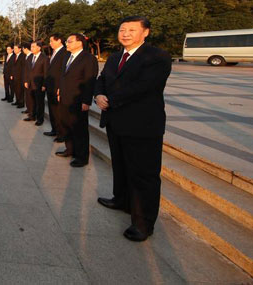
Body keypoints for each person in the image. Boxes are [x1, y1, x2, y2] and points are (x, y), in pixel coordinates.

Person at [94, 15, 172, 242]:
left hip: (142, 125)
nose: (125, 33)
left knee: (143, 175)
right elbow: (102, 79)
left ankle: (143, 223)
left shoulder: (157, 57)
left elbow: (144, 87)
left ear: (145, 32)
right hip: (115, 122)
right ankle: (121, 199)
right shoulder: (115, 57)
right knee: (120, 166)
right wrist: (98, 94)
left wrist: (110, 99)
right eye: (122, 29)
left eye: (131, 29)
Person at [56, 33, 98, 167]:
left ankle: (81, 157)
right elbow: (63, 76)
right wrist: (59, 90)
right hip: (64, 96)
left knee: (79, 129)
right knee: (66, 124)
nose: (66, 44)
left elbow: (89, 81)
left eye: (69, 41)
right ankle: (70, 149)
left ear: (79, 43)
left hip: (78, 99)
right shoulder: (67, 56)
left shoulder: (88, 58)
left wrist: (86, 101)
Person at [44, 34, 68, 141]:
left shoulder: (64, 53)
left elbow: (63, 72)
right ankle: (54, 129)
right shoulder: (54, 52)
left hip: (57, 87)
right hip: (50, 86)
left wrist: (60, 87)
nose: (50, 43)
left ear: (59, 41)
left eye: (52, 41)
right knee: (52, 110)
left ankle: (61, 134)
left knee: (59, 112)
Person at [26, 40, 48, 125]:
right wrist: (26, 81)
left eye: (33, 47)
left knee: (39, 103)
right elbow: (28, 71)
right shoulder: (30, 57)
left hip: (39, 84)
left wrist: (44, 84)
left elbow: (46, 72)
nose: (31, 48)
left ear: (39, 48)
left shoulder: (44, 58)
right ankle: (32, 115)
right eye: (31, 47)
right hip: (30, 83)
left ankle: (40, 119)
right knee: (31, 101)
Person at [21, 42, 34, 118]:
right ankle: (28, 109)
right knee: (27, 96)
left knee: (30, 97)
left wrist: (27, 80)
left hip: (30, 81)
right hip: (26, 80)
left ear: (25, 48)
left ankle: (31, 111)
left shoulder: (32, 56)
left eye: (23, 49)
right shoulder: (26, 56)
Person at [11, 44, 25, 108]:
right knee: (16, 90)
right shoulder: (14, 56)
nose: (14, 50)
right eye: (14, 49)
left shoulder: (23, 56)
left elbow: (23, 67)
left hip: (20, 76)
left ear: (20, 49)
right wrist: (12, 74)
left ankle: (21, 103)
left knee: (20, 90)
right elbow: (13, 67)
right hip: (14, 76)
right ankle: (17, 101)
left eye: (16, 48)